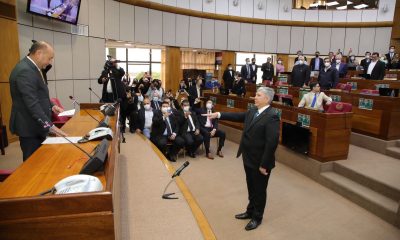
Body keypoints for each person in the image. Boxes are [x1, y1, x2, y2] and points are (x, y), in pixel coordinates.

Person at [202, 87, 280, 231]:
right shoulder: (252, 111)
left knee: (259, 190)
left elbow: (272, 143)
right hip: (248, 156)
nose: (254, 97)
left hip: (261, 161)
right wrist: (218, 114)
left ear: (267, 99)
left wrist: (264, 164)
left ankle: (257, 217)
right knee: (251, 186)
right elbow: (238, 116)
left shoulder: (272, 115)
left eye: (258, 95)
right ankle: (250, 211)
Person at [9, 41, 67, 161]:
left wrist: (51, 106)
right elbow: (32, 104)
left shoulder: (32, 68)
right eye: (49, 58)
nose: (50, 62)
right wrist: (50, 126)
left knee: (42, 160)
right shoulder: (25, 70)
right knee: (32, 164)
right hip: (29, 127)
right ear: (39, 53)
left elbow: (40, 95)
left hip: (37, 125)